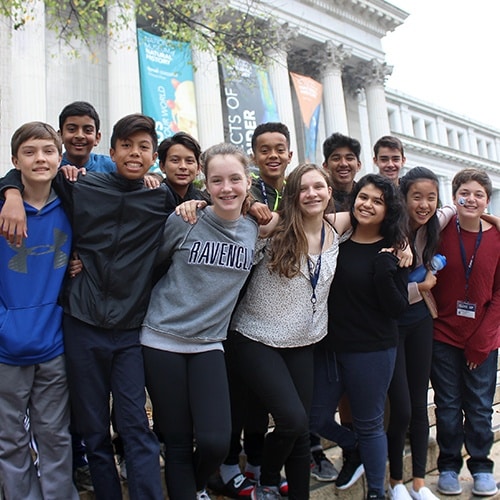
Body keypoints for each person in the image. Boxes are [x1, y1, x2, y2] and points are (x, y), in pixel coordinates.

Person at [0, 113, 179, 500]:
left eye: (144, 147)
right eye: (126, 145)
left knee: (135, 425)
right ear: (109, 150)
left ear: (153, 157)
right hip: (81, 325)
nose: (134, 153)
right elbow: (27, 176)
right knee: (93, 429)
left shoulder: (159, 195)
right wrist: (11, 194)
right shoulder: (81, 186)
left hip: (130, 330)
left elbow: (211, 195)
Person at [141, 143, 275, 500]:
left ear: (249, 182)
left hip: (209, 344)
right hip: (161, 339)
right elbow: (152, 263)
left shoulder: (254, 229)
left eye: (235, 179)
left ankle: (200, 484)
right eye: (217, 180)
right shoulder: (186, 219)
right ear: (206, 182)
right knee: (180, 443)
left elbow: (297, 221)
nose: (226, 187)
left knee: (216, 442)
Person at [226, 163, 352, 500]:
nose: (312, 194)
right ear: (293, 195)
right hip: (255, 336)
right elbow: (233, 246)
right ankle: (266, 478)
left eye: (319, 187)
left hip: (304, 341)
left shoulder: (335, 231)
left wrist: (402, 244)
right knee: (293, 421)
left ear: (329, 191)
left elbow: (383, 212)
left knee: (301, 431)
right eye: (304, 188)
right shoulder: (274, 230)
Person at [311, 173, 410, 500]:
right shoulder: (337, 239)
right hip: (331, 349)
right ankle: (357, 446)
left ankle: (377, 492)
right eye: (363, 197)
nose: (367, 204)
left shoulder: (395, 251)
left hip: (372, 351)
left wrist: (385, 270)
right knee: (315, 417)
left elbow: (397, 309)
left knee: (370, 423)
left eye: (377, 201)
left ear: (388, 210)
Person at [211, 122, 293, 499]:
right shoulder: (247, 193)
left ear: (289, 154)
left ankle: (257, 462)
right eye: (265, 150)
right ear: (255, 158)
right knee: (235, 395)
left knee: (260, 399)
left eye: (280, 149)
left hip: (275, 313)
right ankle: (228, 464)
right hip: (231, 311)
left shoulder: (294, 193)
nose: (273, 155)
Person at [0, 122, 78, 500]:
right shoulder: (3, 207)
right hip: (5, 347)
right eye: (29, 152)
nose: (40, 159)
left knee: (54, 434)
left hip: (54, 343)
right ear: (15, 162)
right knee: (9, 437)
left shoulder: (74, 204)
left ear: (59, 157)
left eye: (48, 150)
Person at [386, 167, 455, 500]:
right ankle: (395, 482)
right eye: (417, 197)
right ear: (403, 197)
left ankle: (418, 483)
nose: (425, 204)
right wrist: (421, 285)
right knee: (399, 407)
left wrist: (493, 219)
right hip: (390, 324)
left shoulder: (434, 225)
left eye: (431, 197)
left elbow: (457, 208)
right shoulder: (389, 232)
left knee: (417, 401)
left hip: (420, 322)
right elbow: (387, 292)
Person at [431, 168, 499, 497]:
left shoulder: (497, 237)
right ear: (454, 195)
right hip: (443, 334)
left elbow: (499, 294)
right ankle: (447, 466)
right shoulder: (440, 231)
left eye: (478, 194)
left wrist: (481, 341)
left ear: (487, 200)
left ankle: (482, 466)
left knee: (480, 407)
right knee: (446, 405)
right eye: (464, 192)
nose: (471, 199)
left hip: (483, 337)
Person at [322, 132, 362, 211]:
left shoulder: (366, 197)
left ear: (358, 165)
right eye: (336, 159)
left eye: (349, 158)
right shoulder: (320, 198)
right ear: (325, 166)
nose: (343, 164)